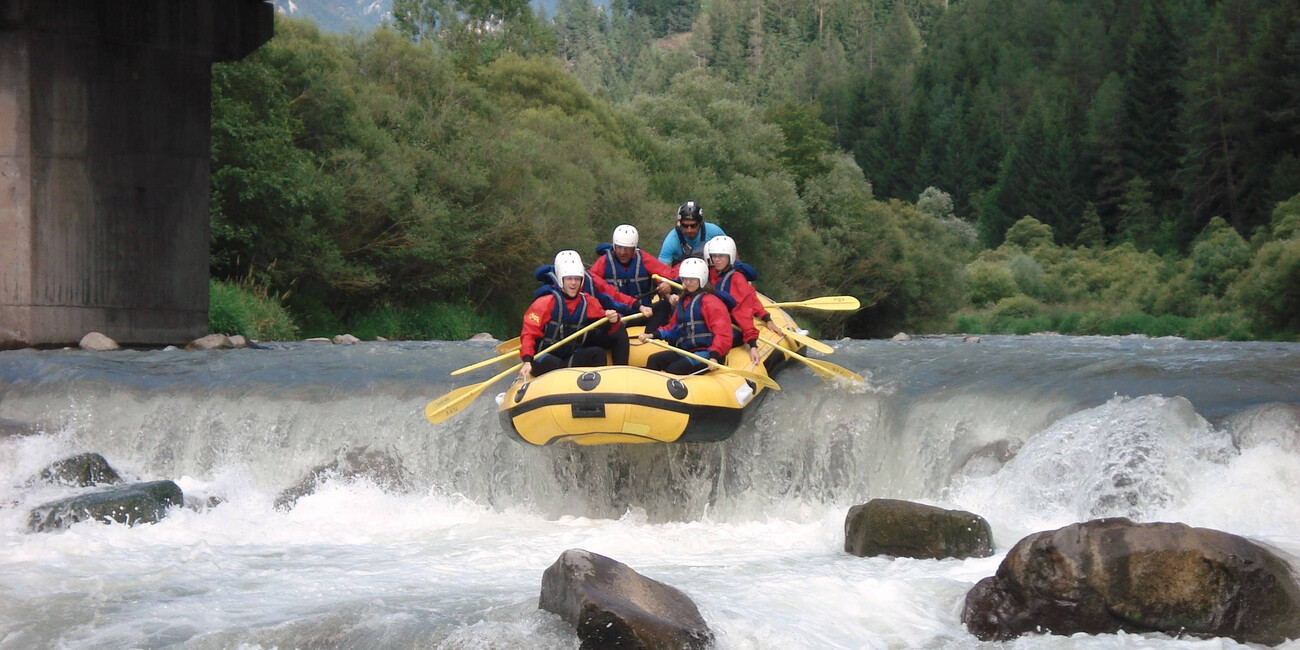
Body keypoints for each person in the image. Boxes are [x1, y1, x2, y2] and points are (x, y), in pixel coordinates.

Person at [519, 251, 627, 381]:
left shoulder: (589, 302)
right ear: (561, 280)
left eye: (577, 279)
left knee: (597, 353)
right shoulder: (544, 303)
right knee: (556, 365)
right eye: (569, 278)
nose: (573, 283)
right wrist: (527, 360)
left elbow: (607, 327)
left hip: (568, 357)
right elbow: (529, 334)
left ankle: (602, 387)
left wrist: (613, 320)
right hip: (542, 357)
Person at [637, 258, 734, 375]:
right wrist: (652, 334)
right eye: (685, 278)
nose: (688, 282)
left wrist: (714, 356)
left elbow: (723, 332)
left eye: (692, 279)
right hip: (688, 352)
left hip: (708, 353)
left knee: (674, 370)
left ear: (701, 278)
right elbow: (673, 328)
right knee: (654, 360)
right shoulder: (684, 302)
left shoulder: (711, 301)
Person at [705, 235, 783, 366]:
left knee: (707, 341)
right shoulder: (710, 274)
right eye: (714, 256)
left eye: (721, 256)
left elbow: (744, 310)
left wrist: (753, 344)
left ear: (730, 256)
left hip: (732, 327)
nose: (717, 259)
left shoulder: (736, 278)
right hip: (714, 322)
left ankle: (714, 361)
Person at [589, 224, 678, 330]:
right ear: (614, 246)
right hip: (616, 316)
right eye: (619, 247)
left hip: (643, 313)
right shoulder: (604, 262)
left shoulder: (644, 259)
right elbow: (590, 283)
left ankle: (650, 335)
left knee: (664, 306)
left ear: (634, 248)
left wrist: (668, 285)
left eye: (627, 249)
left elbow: (670, 275)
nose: (622, 252)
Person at [657, 201, 726, 266]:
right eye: (685, 226)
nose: (689, 230)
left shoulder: (714, 231)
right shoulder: (672, 239)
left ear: (700, 223)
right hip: (682, 276)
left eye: (693, 226)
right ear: (680, 224)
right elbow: (662, 267)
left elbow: (731, 252)